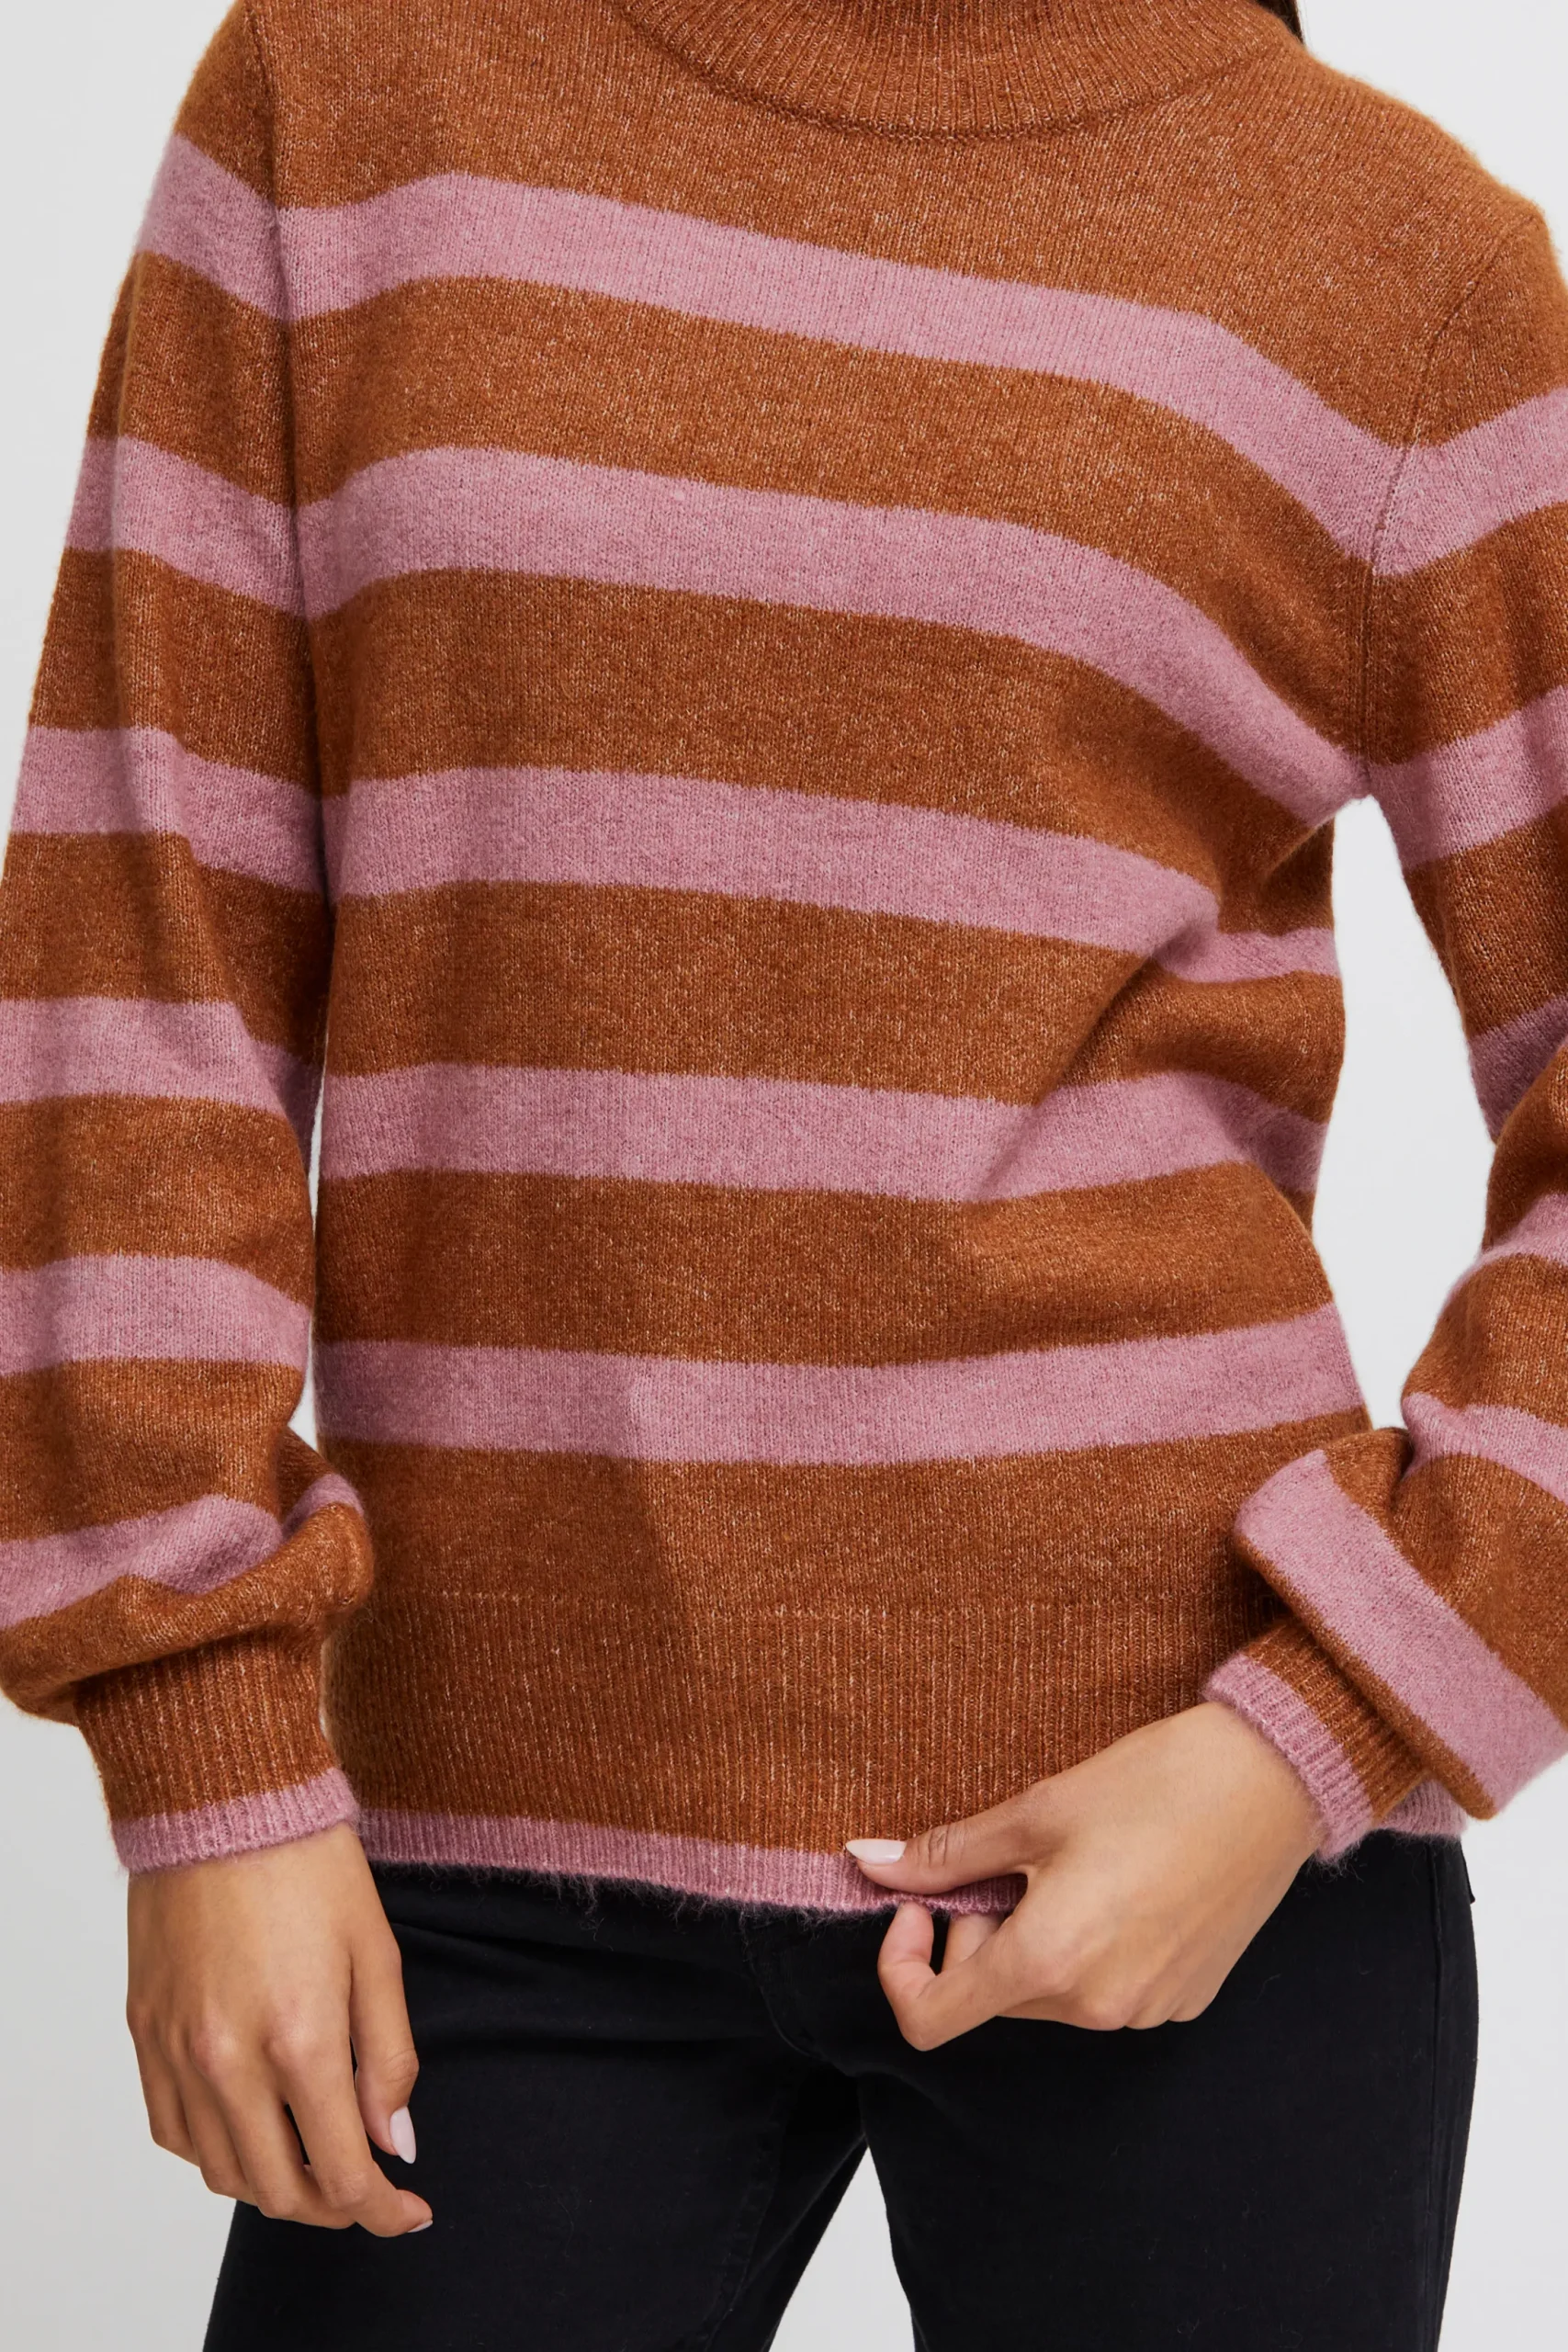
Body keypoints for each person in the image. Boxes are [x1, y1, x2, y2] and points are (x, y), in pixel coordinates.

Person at [6, 0, 1566, 2339]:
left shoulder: (1397, 258)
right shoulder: (345, 95)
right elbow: (141, 950)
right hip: (473, 1859)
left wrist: (1316, 1731)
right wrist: (199, 1743)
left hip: (1202, 1838)